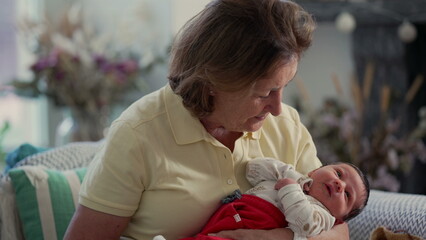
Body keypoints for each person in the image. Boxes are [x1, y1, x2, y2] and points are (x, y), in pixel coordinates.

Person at [64, 0, 351, 239]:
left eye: (283, 87)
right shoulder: (138, 135)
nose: (277, 108)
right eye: (265, 92)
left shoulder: (286, 125)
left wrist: (274, 237)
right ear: (214, 80)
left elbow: (339, 229)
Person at [160, 158, 370, 240]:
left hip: (260, 221)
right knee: (207, 236)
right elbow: (253, 171)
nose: (339, 184)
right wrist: (283, 170)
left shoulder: (322, 217)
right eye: (339, 174)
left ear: (340, 217)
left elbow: (303, 222)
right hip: (235, 211)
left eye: (347, 195)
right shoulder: (293, 177)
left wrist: (290, 188)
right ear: (316, 170)